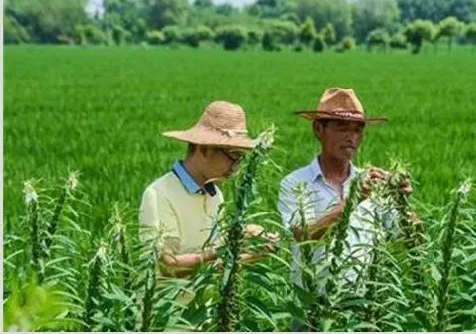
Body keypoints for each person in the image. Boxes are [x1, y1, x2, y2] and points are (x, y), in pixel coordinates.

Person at [277, 87, 416, 295]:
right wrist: (353, 200)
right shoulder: (295, 183)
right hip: (311, 307)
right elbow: (301, 235)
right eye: (342, 128)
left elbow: (413, 240)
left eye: (358, 129)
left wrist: (402, 204)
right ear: (318, 130)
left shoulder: (374, 185)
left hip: (363, 309)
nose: (351, 136)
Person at [139, 100, 278, 279]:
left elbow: (214, 266)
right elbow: (169, 266)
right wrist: (230, 244)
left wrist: (256, 250)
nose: (236, 167)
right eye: (233, 157)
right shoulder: (159, 194)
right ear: (205, 150)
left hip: (205, 306)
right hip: (167, 306)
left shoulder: (215, 195)